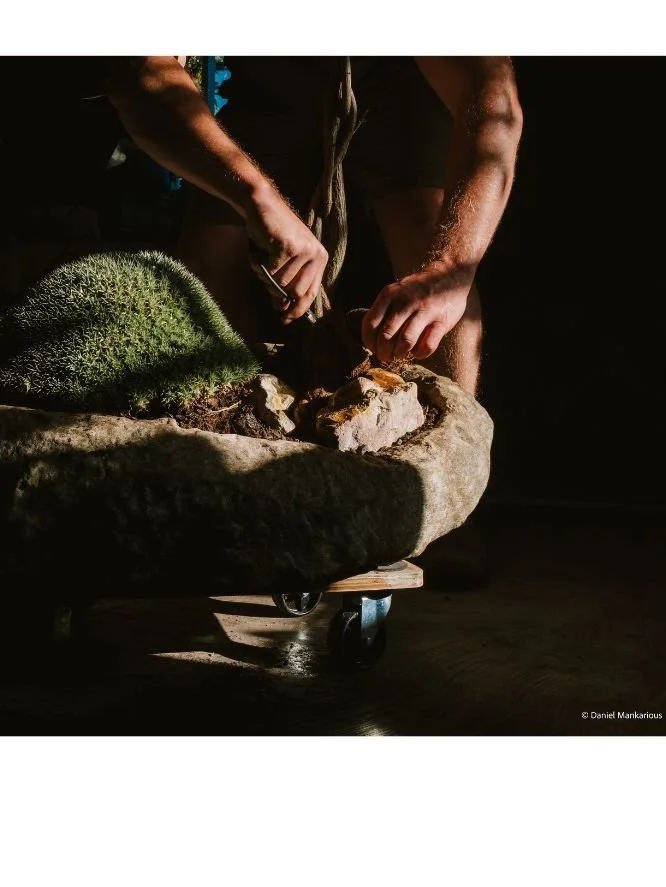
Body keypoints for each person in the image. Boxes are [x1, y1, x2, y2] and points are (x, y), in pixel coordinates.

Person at [107, 56, 524, 585]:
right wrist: (257, 200)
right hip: (269, 72)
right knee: (210, 251)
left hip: (401, 74)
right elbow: (139, 75)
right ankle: (233, 465)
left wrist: (450, 267)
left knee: (426, 227)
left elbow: (493, 102)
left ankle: (447, 501)